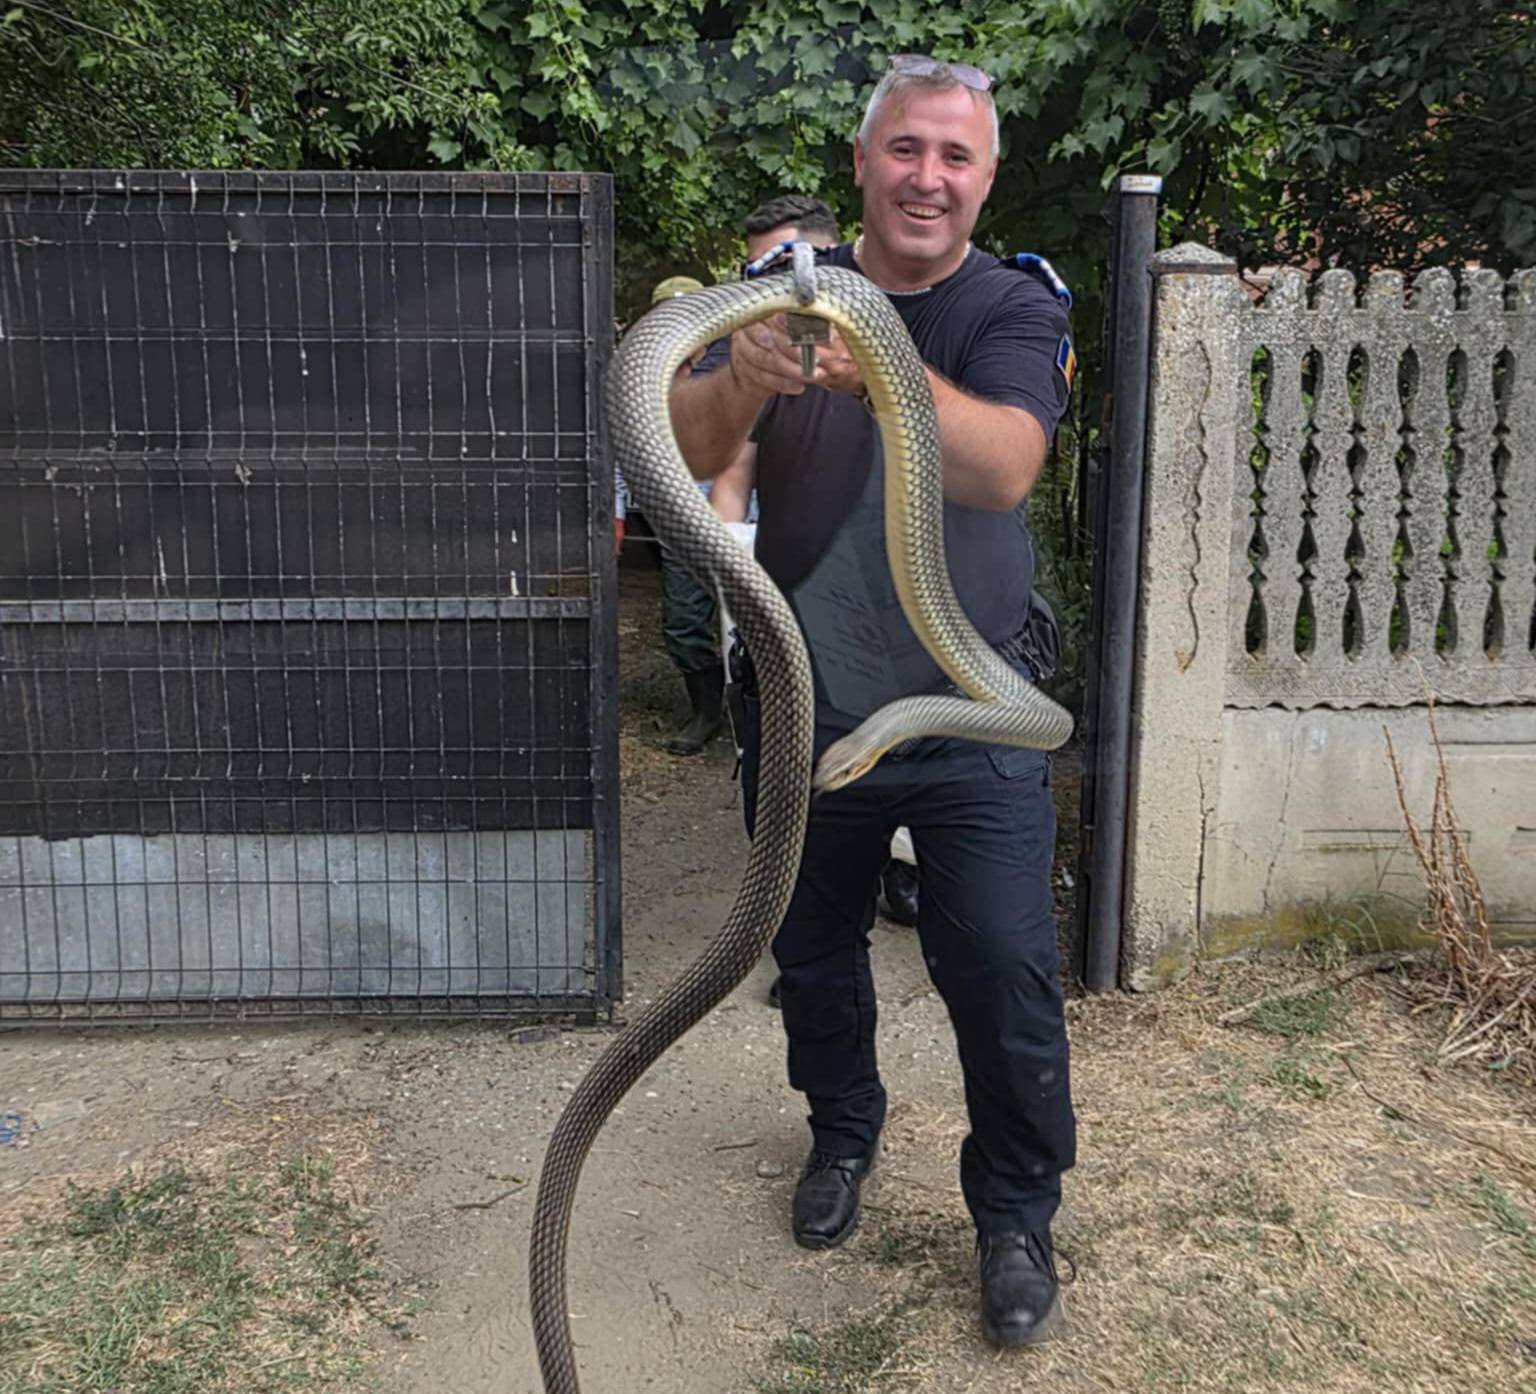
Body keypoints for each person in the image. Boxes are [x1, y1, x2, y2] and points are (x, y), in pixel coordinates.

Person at [668, 55, 1076, 1350]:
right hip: (806, 707)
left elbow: (1006, 466)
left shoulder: (1010, 307)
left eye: (956, 156)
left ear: (987, 177)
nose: (928, 177)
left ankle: (1015, 1213)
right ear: (862, 161)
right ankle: (841, 1131)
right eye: (906, 148)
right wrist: (748, 371)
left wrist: (870, 363)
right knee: (810, 953)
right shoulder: (780, 290)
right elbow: (687, 449)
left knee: (1001, 965)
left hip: (973, 705)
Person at [715, 195, 921, 1009]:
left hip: (896, 629)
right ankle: (811, 954)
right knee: (791, 800)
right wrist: (730, 571)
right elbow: (730, 472)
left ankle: (901, 877)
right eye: (756, 269)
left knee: (897, 774)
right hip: (791, 627)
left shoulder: (894, 336)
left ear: (827, 263)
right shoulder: (764, 357)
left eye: (783, 264)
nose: (768, 282)